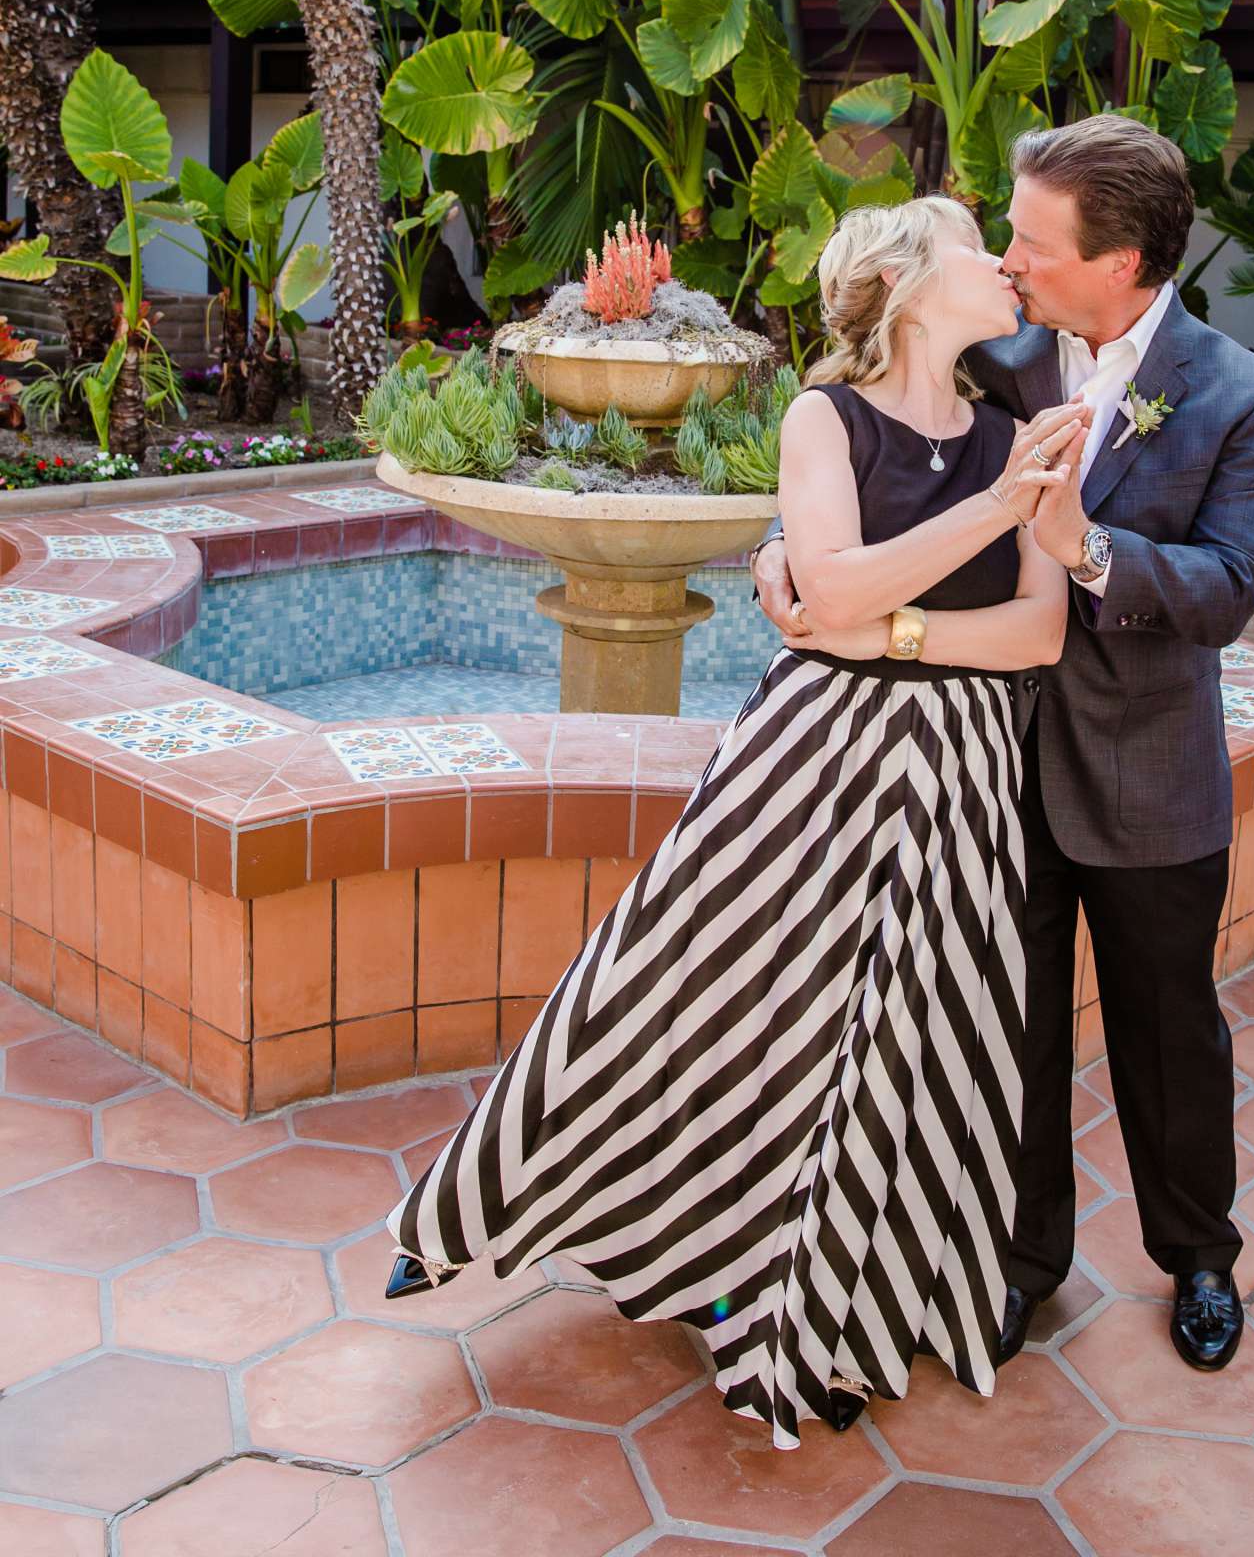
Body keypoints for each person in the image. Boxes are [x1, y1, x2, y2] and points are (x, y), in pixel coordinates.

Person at [383, 196, 1072, 1447]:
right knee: (684, 991)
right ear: (914, 284)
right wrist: (984, 518)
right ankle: (491, 1210)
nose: (1003, 266)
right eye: (980, 247)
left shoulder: (1018, 425)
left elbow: (1034, 635)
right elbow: (824, 587)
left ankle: (835, 1309)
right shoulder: (825, 418)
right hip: (807, 762)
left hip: (965, 773)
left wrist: (891, 631)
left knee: (910, 1037)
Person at [758, 115, 1254, 1377]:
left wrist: (1089, 551)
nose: (1008, 257)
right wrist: (788, 554)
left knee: (1169, 1030)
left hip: (1147, 773)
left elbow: (1227, 589)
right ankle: (1017, 1263)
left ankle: (1199, 1257)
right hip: (984, 768)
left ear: (1120, 265)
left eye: (1033, 240)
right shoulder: (1002, 354)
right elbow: (898, 455)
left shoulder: (1241, 396)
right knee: (1011, 1031)